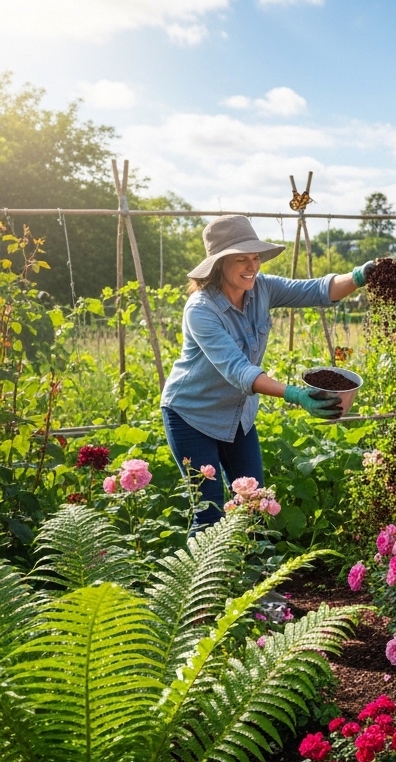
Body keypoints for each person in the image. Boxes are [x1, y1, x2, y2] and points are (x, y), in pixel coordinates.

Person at [161, 214, 376, 529]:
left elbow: (315, 290)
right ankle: (207, 563)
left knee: (254, 506)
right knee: (208, 513)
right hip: (192, 415)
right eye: (241, 259)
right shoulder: (201, 310)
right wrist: (296, 395)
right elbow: (238, 370)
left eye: (255, 257)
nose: (252, 266)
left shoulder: (262, 289)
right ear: (219, 263)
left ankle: (251, 563)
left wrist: (358, 276)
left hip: (238, 416)